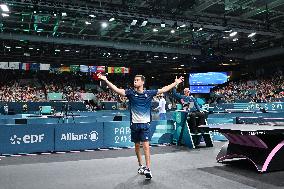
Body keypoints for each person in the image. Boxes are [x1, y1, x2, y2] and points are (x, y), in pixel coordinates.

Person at [98, 73, 184, 180]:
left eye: (137, 80)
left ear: (142, 82)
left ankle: (148, 168)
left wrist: (175, 83)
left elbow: (163, 89)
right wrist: (106, 80)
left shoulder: (149, 93)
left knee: (146, 146)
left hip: (145, 125)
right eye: (134, 80)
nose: (135, 81)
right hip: (134, 125)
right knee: (137, 146)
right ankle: (140, 166)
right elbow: (117, 90)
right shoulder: (130, 93)